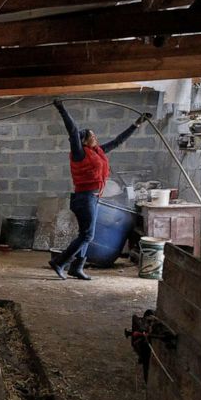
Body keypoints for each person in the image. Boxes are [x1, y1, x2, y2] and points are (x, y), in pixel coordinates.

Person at [49, 100, 151, 280]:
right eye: (92, 135)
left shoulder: (98, 152)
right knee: (88, 235)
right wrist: (61, 108)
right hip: (84, 198)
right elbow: (72, 131)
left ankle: (77, 268)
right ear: (84, 140)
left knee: (86, 234)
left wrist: (136, 124)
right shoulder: (79, 152)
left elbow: (118, 141)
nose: (95, 137)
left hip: (94, 198)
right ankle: (60, 262)